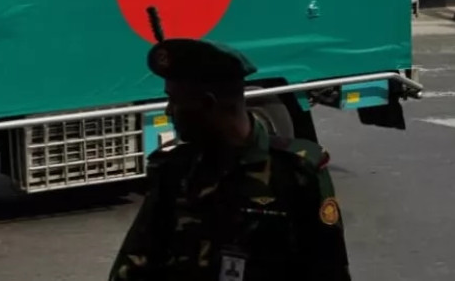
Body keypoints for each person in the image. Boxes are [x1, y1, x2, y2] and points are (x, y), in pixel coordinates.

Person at [108, 36, 351, 280]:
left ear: (207, 104)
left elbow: (329, 269)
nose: (168, 111)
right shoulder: (175, 169)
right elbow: (135, 263)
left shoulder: (296, 171)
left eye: (175, 100)